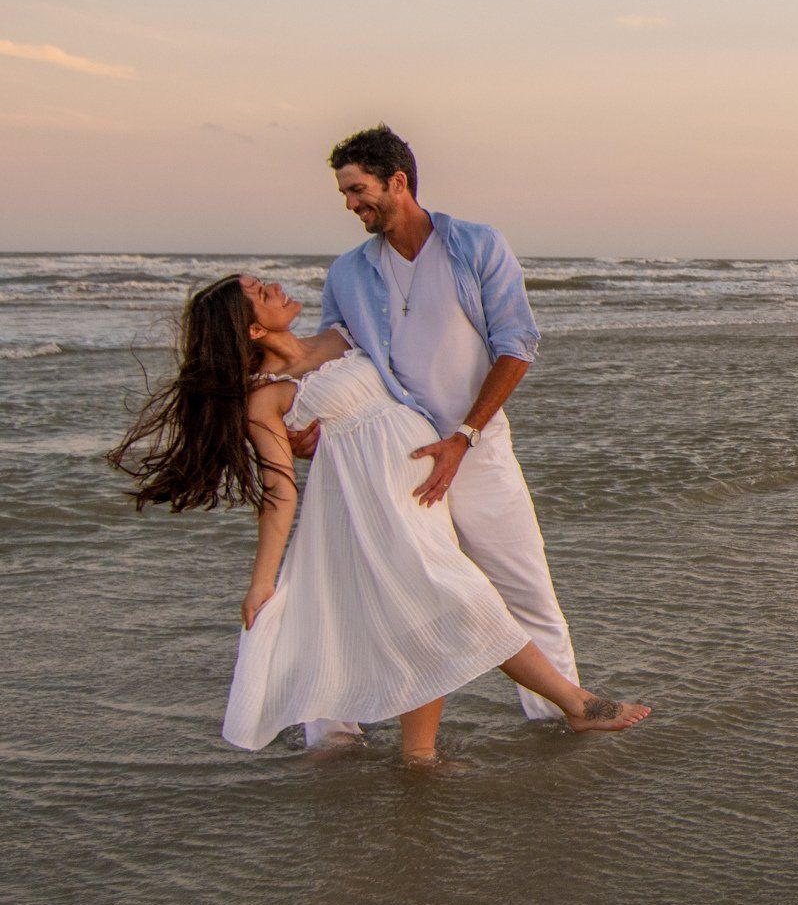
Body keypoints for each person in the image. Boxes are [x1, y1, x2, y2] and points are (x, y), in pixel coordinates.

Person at [110, 274, 649, 766]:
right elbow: (279, 493)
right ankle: (577, 703)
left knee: (423, 613)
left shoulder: (344, 336)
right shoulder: (265, 398)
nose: (274, 285)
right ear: (252, 328)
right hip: (371, 505)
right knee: (459, 599)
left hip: (418, 493)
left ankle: (419, 753)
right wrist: (261, 583)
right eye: (259, 291)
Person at [293, 124, 580, 740]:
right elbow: (336, 351)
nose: (350, 204)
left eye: (358, 189)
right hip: (396, 460)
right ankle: (335, 736)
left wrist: (465, 436)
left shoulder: (475, 246)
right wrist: (299, 415)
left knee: (525, 592)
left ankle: (561, 728)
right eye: (345, 193)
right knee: (373, 598)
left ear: (399, 181)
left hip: (477, 449)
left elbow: (517, 345)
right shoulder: (347, 273)